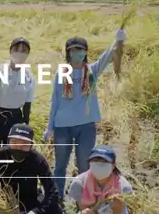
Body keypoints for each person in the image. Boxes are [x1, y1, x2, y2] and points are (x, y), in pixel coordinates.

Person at [43, 29, 127, 197]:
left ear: (86, 51)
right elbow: (55, 101)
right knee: (60, 166)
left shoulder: (92, 71)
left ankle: (83, 199)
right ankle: (57, 199)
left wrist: (118, 39)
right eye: (73, 50)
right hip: (63, 126)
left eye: (80, 49)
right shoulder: (62, 73)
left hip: (86, 126)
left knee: (84, 166)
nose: (76, 53)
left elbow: (108, 54)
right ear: (68, 53)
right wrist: (49, 127)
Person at [0, 124, 63, 214]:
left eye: (24, 144)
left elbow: (53, 192)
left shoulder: (38, 160)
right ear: (8, 142)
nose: (19, 147)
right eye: (14, 142)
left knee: (56, 213)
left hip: (29, 204)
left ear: (31, 145)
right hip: (2, 204)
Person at [0, 37, 34, 153]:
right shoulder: (0, 69)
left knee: (11, 152)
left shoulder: (29, 75)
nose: (20, 53)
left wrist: (26, 122)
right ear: (10, 51)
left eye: (23, 51)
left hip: (15, 117)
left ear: (28, 54)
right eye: (16, 49)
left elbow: (28, 102)